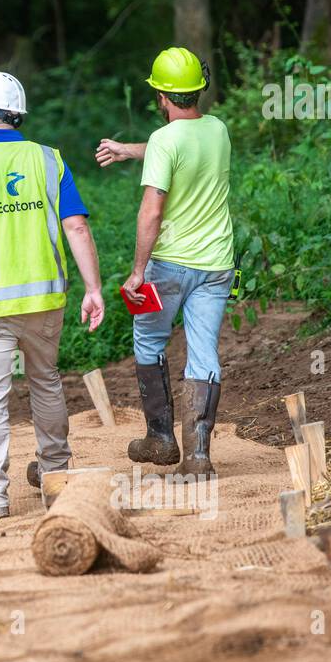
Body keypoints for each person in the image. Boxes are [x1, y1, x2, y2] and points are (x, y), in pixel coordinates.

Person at [0, 71, 106, 522]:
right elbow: (77, 226)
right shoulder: (49, 160)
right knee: (45, 382)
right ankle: (56, 479)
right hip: (44, 300)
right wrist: (93, 288)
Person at [95, 47, 233, 476]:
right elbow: (179, 146)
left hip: (168, 267)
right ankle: (198, 456)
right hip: (217, 266)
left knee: (150, 341)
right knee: (204, 351)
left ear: (161, 95)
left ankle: (160, 437)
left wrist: (138, 270)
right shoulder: (218, 130)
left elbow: (151, 209)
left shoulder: (163, 141)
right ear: (198, 90)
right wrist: (128, 150)